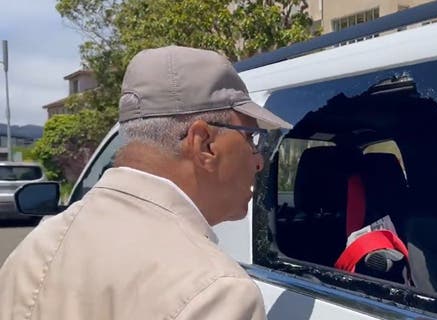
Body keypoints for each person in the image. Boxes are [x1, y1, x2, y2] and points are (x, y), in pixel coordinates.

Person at [0, 45, 292, 320]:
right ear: (204, 144)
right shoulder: (217, 291)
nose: (258, 160)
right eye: (251, 139)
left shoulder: (37, 245)